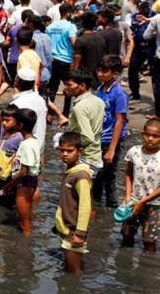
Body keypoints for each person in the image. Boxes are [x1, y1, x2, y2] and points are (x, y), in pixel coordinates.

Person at [55, 132, 93, 274]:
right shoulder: (70, 171)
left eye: (69, 151)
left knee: (74, 271)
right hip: (67, 229)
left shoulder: (80, 176)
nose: (65, 154)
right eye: (62, 150)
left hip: (74, 232)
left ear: (79, 151)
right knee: (69, 267)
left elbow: (85, 206)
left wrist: (80, 234)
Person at [0, 108, 41, 235]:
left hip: (25, 185)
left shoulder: (27, 145)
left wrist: (7, 187)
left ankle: (24, 249)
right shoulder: (34, 141)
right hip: (31, 182)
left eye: (15, 121)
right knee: (24, 218)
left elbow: (23, 172)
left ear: (20, 125)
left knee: (24, 223)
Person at [121, 118, 160, 252]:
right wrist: (127, 196)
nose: (150, 138)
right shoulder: (134, 151)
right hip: (133, 200)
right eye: (147, 134)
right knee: (126, 234)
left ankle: (149, 268)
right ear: (142, 134)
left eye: (155, 136)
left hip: (155, 205)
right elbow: (128, 174)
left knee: (149, 240)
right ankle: (124, 267)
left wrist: (143, 202)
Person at [94, 55, 128, 207]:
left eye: (104, 71)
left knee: (109, 177)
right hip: (100, 138)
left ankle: (112, 207)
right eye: (99, 70)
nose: (100, 74)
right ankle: (96, 208)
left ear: (114, 73)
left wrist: (112, 149)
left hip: (112, 140)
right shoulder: (100, 89)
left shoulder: (119, 93)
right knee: (97, 176)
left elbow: (120, 121)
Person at [64, 69, 105, 175]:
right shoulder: (99, 101)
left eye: (69, 85)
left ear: (82, 86)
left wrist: (68, 146)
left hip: (84, 159)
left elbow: (88, 137)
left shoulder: (80, 107)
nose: (66, 88)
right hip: (95, 157)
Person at [47, 3, 78, 116]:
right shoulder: (70, 26)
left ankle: (49, 113)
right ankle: (65, 113)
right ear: (68, 13)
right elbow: (74, 42)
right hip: (66, 60)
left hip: (53, 60)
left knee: (52, 88)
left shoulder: (51, 26)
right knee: (69, 87)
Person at [0, 106, 23, 208]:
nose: (4, 123)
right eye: (3, 120)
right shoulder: (3, 130)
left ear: (17, 121)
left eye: (8, 120)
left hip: (9, 176)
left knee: (8, 200)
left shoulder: (19, 137)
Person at [72, 11, 106, 78]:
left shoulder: (80, 40)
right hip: (98, 74)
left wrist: (73, 74)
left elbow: (77, 61)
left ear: (82, 23)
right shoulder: (101, 38)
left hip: (85, 76)